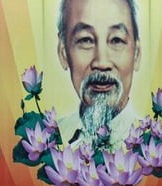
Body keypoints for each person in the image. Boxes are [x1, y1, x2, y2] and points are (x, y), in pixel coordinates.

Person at [57, 0, 142, 151]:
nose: (102, 63)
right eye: (86, 40)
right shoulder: (49, 141)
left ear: (136, 54)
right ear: (63, 52)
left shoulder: (157, 146)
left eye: (116, 40)